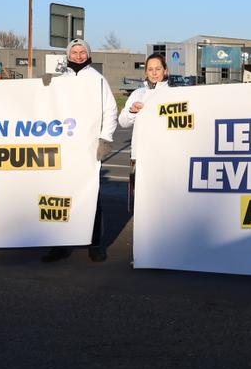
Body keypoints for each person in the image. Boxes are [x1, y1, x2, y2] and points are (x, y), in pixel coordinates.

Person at [43, 39, 119, 263]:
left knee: (90, 196)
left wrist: (105, 138)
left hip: (88, 148)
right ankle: (59, 244)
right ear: (68, 55)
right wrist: (43, 87)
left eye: (82, 51)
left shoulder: (98, 80)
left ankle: (94, 244)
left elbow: (111, 110)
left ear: (88, 54)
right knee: (60, 196)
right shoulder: (60, 81)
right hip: (63, 149)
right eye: (74, 52)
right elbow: (45, 106)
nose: (78, 55)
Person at [118, 54, 170, 211]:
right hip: (139, 156)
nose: (154, 73)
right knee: (141, 203)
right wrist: (132, 111)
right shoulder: (137, 93)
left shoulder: (173, 93)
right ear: (146, 72)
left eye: (158, 69)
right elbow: (122, 122)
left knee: (162, 201)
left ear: (165, 70)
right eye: (150, 69)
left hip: (164, 157)